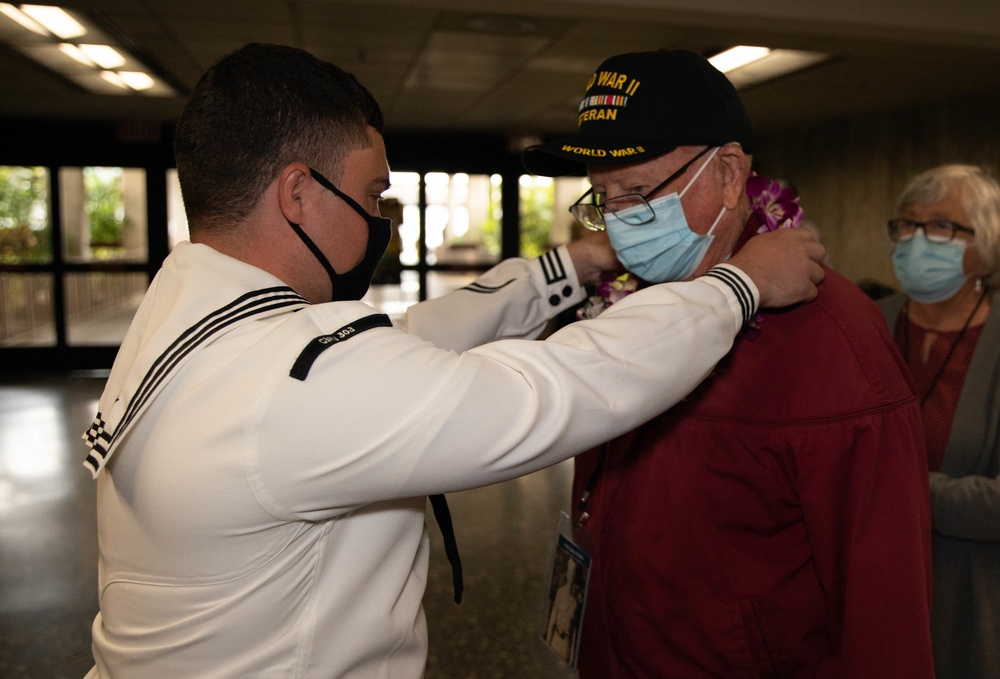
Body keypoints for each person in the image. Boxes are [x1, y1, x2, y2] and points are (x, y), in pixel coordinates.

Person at [79, 44, 824, 679]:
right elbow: (557, 388)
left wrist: (575, 260)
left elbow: (406, 337)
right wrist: (741, 283)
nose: (382, 220)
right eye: (374, 195)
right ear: (300, 194)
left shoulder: (193, 328)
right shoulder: (281, 387)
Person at [522, 49, 934, 678]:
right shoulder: (631, 310)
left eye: (638, 190)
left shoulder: (830, 340)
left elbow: (883, 614)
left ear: (730, 174)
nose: (625, 219)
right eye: (604, 197)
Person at [878, 164, 1000, 679]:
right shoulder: (866, 324)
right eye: (906, 225)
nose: (918, 240)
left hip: (971, 612)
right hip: (868, 600)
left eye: (943, 226)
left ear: (988, 241)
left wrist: (904, 491)